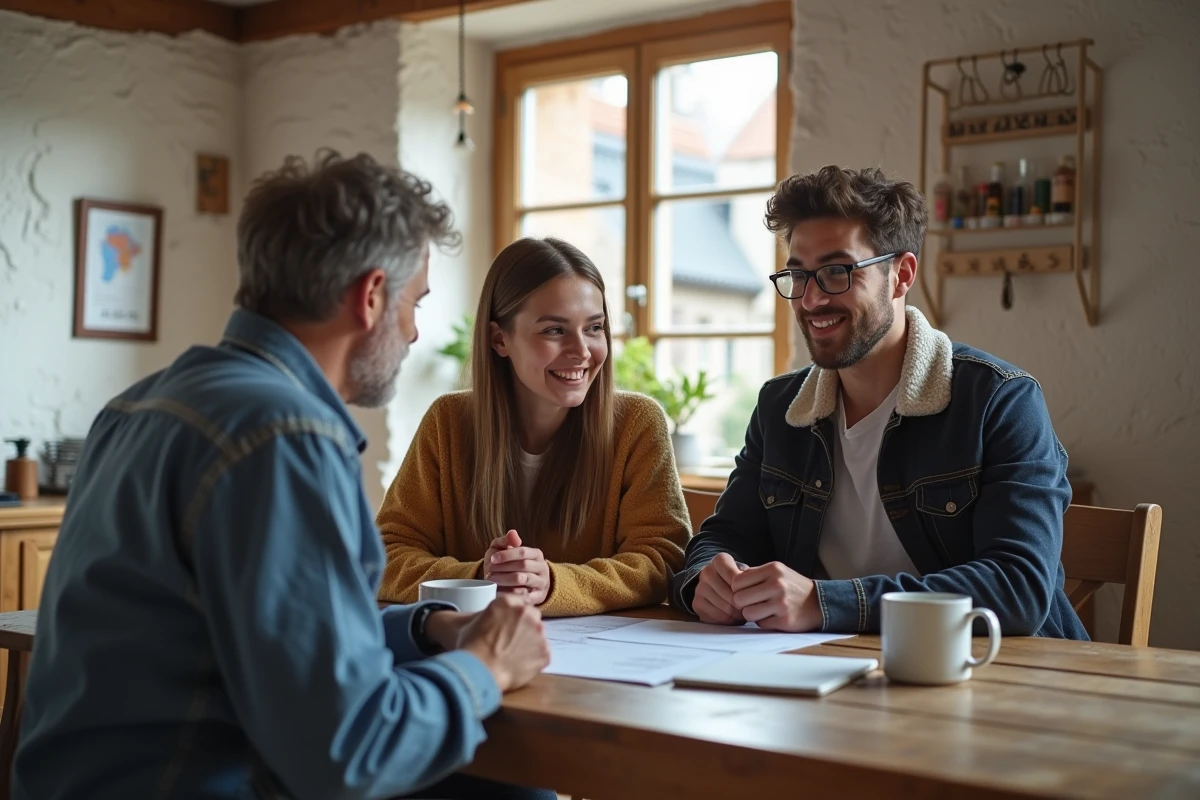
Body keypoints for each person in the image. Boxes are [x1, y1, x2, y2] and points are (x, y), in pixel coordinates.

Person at [14, 151, 554, 800]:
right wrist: (485, 666)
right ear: (371, 295)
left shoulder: (141, 404)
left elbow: (261, 633)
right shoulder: (284, 436)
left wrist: (426, 627)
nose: (413, 332)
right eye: (415, 302)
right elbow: (350, 752)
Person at [669, 166, 1087, 640]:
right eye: (799, 274)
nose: (809, 300)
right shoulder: (779, 408)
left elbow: (1018, 588)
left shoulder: (999, 400)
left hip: (996, 677)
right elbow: (725, 537)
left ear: (901, 275)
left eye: (835, 272)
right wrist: (705, 580)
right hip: (826, 671)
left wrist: (826, 603)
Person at [376, 237, 690, 617]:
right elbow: (386, 554)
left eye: (594, 328)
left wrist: (551, 584)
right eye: (554, 331)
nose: (582, 351)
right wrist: (482, 578)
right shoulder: (448, 423)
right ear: (499, 339)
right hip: (473, 649)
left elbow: (664, 560)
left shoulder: (637, 424)